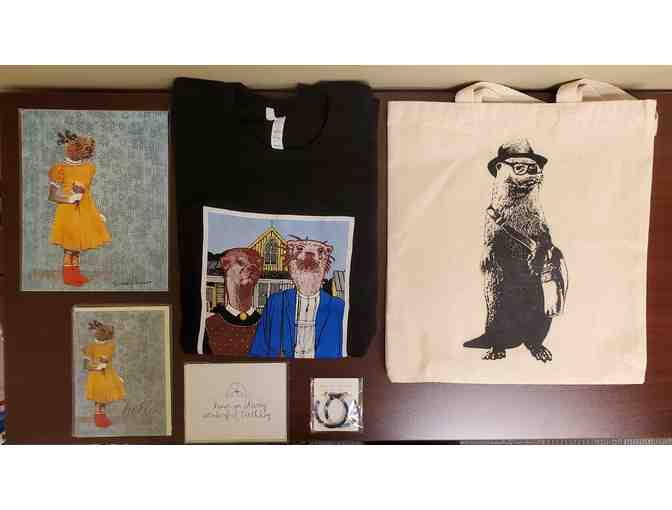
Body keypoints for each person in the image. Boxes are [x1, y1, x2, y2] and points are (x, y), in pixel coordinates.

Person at [250, 238, 344, 358]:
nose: (309, 253)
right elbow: (259, 350)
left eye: (320, 251)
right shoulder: (276, 302)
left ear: (327, 256)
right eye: (300, 248)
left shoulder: (338, 307)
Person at [48, 130, 111, 286]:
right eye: (84, 150)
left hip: (84, 211)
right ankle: (68, 277)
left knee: (77, 248)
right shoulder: (60, 168)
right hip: (68, 212)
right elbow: (52, 196)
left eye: (89, 151)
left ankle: (76, 274)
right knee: (70, 248)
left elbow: (86, 195)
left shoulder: (88, 168)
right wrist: (69, 199)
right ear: (72, 149)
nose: (87, 155)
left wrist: (95, 214)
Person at [82, 321, 125, 428]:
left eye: (109, 337)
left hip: (108, 374)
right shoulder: (91, 347)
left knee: (104, 397)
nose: (107, 340)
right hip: (97, 376)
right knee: (99, 397)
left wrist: (115, 377)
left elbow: (107, 362)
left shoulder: (110, 346)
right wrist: (97, 367)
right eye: (105, 336)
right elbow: (86, 365)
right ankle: (99, 418)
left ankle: (102, 416)